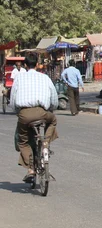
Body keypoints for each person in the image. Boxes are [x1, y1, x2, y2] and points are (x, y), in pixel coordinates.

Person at [12, 53, 58, 183]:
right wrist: (51, 108)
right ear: (37, 65)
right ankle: (45, 142)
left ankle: (31, 169)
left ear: (25, 65)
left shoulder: (19, 78)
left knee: (23, 142)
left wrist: (18, 112)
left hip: (24, 114)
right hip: (42, 112)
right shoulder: (45, 78)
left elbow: (13, 101)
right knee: (53, 120)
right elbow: (54, 99)